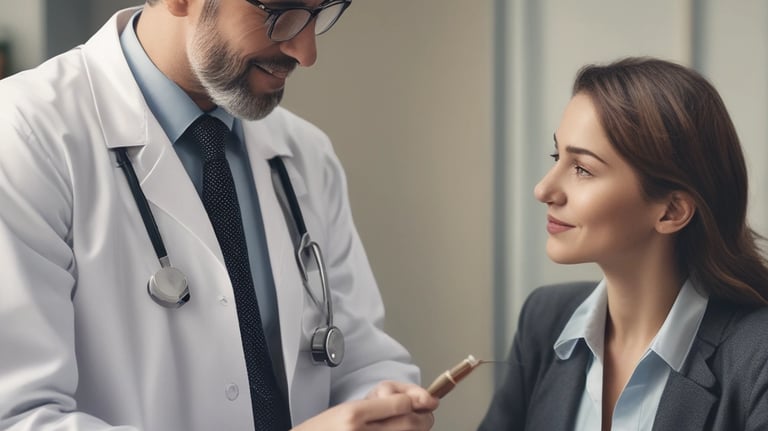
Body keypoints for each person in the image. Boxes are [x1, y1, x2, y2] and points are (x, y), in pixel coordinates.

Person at [0, 1, 438, 430]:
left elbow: (361, 357)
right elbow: (20, 416)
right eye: (278, 12)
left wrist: (380, 404)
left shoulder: (306, 153)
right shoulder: (24, 135)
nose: (306, 53)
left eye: (320, 11)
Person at [478, 57, 768, 430]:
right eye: (557, 156)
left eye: (582, 169)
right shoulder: (545, 319)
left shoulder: (758, 355)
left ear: (672, 211)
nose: (543, 190)